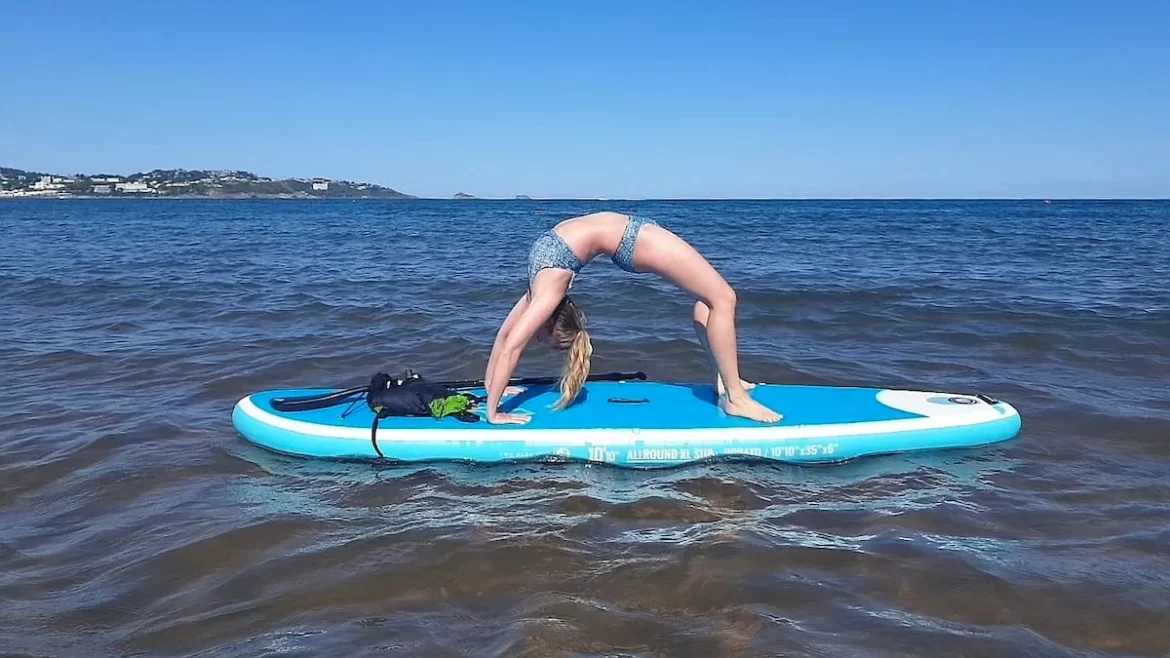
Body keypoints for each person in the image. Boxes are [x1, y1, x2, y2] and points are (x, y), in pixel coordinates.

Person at [482, 211, 782, 425]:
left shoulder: (546, 292)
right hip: (632, 235)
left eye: (541, 337)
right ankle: (730, 389)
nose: (535, 334)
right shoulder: (544, 286)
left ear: (549, 319)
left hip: (635, 238)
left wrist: (493, 407)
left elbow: (509, 344)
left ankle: (732, 394)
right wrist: (495, 390)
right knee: (719, 298)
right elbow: (507, 339)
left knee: (719, 299)